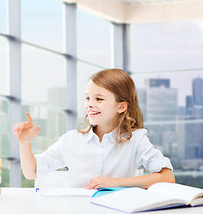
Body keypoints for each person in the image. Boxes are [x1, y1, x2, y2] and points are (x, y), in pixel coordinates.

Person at [13, 69, 175, 189]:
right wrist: (24, 144)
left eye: (99, 99)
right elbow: (31, 172)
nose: (90, 104)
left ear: (121, 107)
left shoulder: (136, 139)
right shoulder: (71, 139)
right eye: (87, 98)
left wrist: (116, 183)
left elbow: (167, 177)